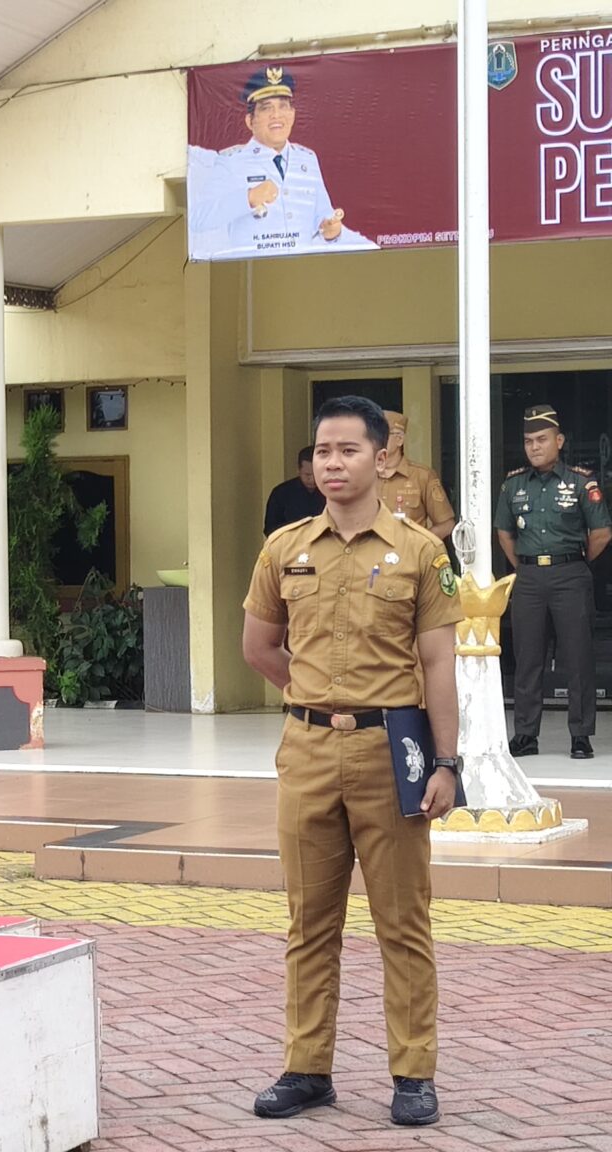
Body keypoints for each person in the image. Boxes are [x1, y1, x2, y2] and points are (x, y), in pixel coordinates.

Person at [242, 396, 462, 1127]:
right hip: (306, 753)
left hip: (388, 753)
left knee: (403, 922)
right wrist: (312, 697)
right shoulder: (284, 547)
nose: (332, 464)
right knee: (309, 922)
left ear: (381, 458)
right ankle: (307, 1069)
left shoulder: (421, 552)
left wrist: (446, 762)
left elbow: (438, 665)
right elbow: (259, 648)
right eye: (322, 452)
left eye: (348, 450)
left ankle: (413, 1074)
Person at [494, 405, 611, 760]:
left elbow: (602, 533)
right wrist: (526, 566)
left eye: (542, 439)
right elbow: (504, 532)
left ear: (558, 441)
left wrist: (571, 562)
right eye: (528, 440)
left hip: (570, 576)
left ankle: (580, 735)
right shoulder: (513, 484)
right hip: (529, 577)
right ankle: (526, 734)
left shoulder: (581, 482)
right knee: (527, 658)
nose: (534, 447)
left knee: (578, 658)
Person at [188, 66, 377, 259]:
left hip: (304, 269)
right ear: (249, 120)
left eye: (283, 106)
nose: (276, 115)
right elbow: (197, 218)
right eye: (266, 108)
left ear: (293, 114)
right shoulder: (232, 162)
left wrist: (332, 231)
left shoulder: (307, 159)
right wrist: (249, 198)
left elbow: (323, 217)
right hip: (254, 273)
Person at [377, 411, 456, 539]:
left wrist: (418, 545)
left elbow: (446, 524)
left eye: (383, 434)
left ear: (399, 439)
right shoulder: (362, 476)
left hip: (410, 557)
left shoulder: (422, 476)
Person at [263, 447, 325, 535]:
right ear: (298, 471)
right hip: (289, 545)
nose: (313, 479)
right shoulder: (281, 493)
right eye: (307, 474)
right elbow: (270, 529)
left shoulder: (331, 492)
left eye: (317, 474)